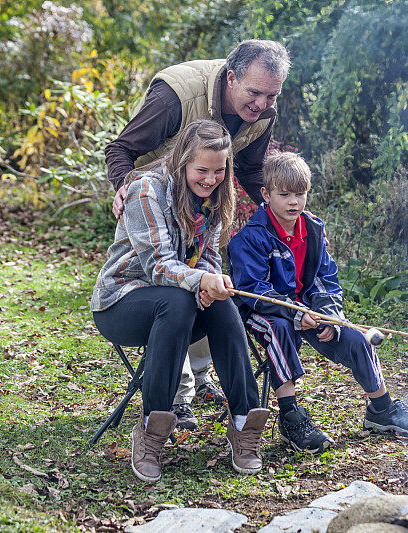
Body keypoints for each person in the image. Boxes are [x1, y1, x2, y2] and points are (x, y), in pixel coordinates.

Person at [104, 40, 291, 426]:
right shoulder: (175, 97)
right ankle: (168, 405)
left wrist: (279, 216)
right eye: (254, 93)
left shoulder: (261, 115)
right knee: (174, 293)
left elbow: (253, 171)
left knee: (211, 290)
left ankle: (236, 413)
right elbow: (121, 148)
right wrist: (127, 187)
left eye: (271, 95)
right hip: (151, 202)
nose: (261, 104)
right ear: (231, 77)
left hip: (196, 210)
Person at [91, 120, 270, 482]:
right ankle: (150, 430)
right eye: (202, 170)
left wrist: (211, 284)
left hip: (179, 306)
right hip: (121, 303)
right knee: (175, 299)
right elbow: (158, 267)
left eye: (219, 171)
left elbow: (207, 260)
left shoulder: (215, 199)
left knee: (221, 303)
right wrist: (201, 280)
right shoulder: (146, 190)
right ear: (182, 161)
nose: (210, 179)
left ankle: (243, 421)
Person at [227, 152, 408, 454]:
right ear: (266, 193)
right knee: (280, 328)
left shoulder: (313, 228)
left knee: (353, 336)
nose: (293, 202)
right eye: (284, 194)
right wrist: (297, 315)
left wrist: (327, 315)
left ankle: (381, 408)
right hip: (260, 311)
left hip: (309, 308)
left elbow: (326, 278)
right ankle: (291, 415)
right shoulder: (250, 238)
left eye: (300, 194)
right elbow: (253, 290)